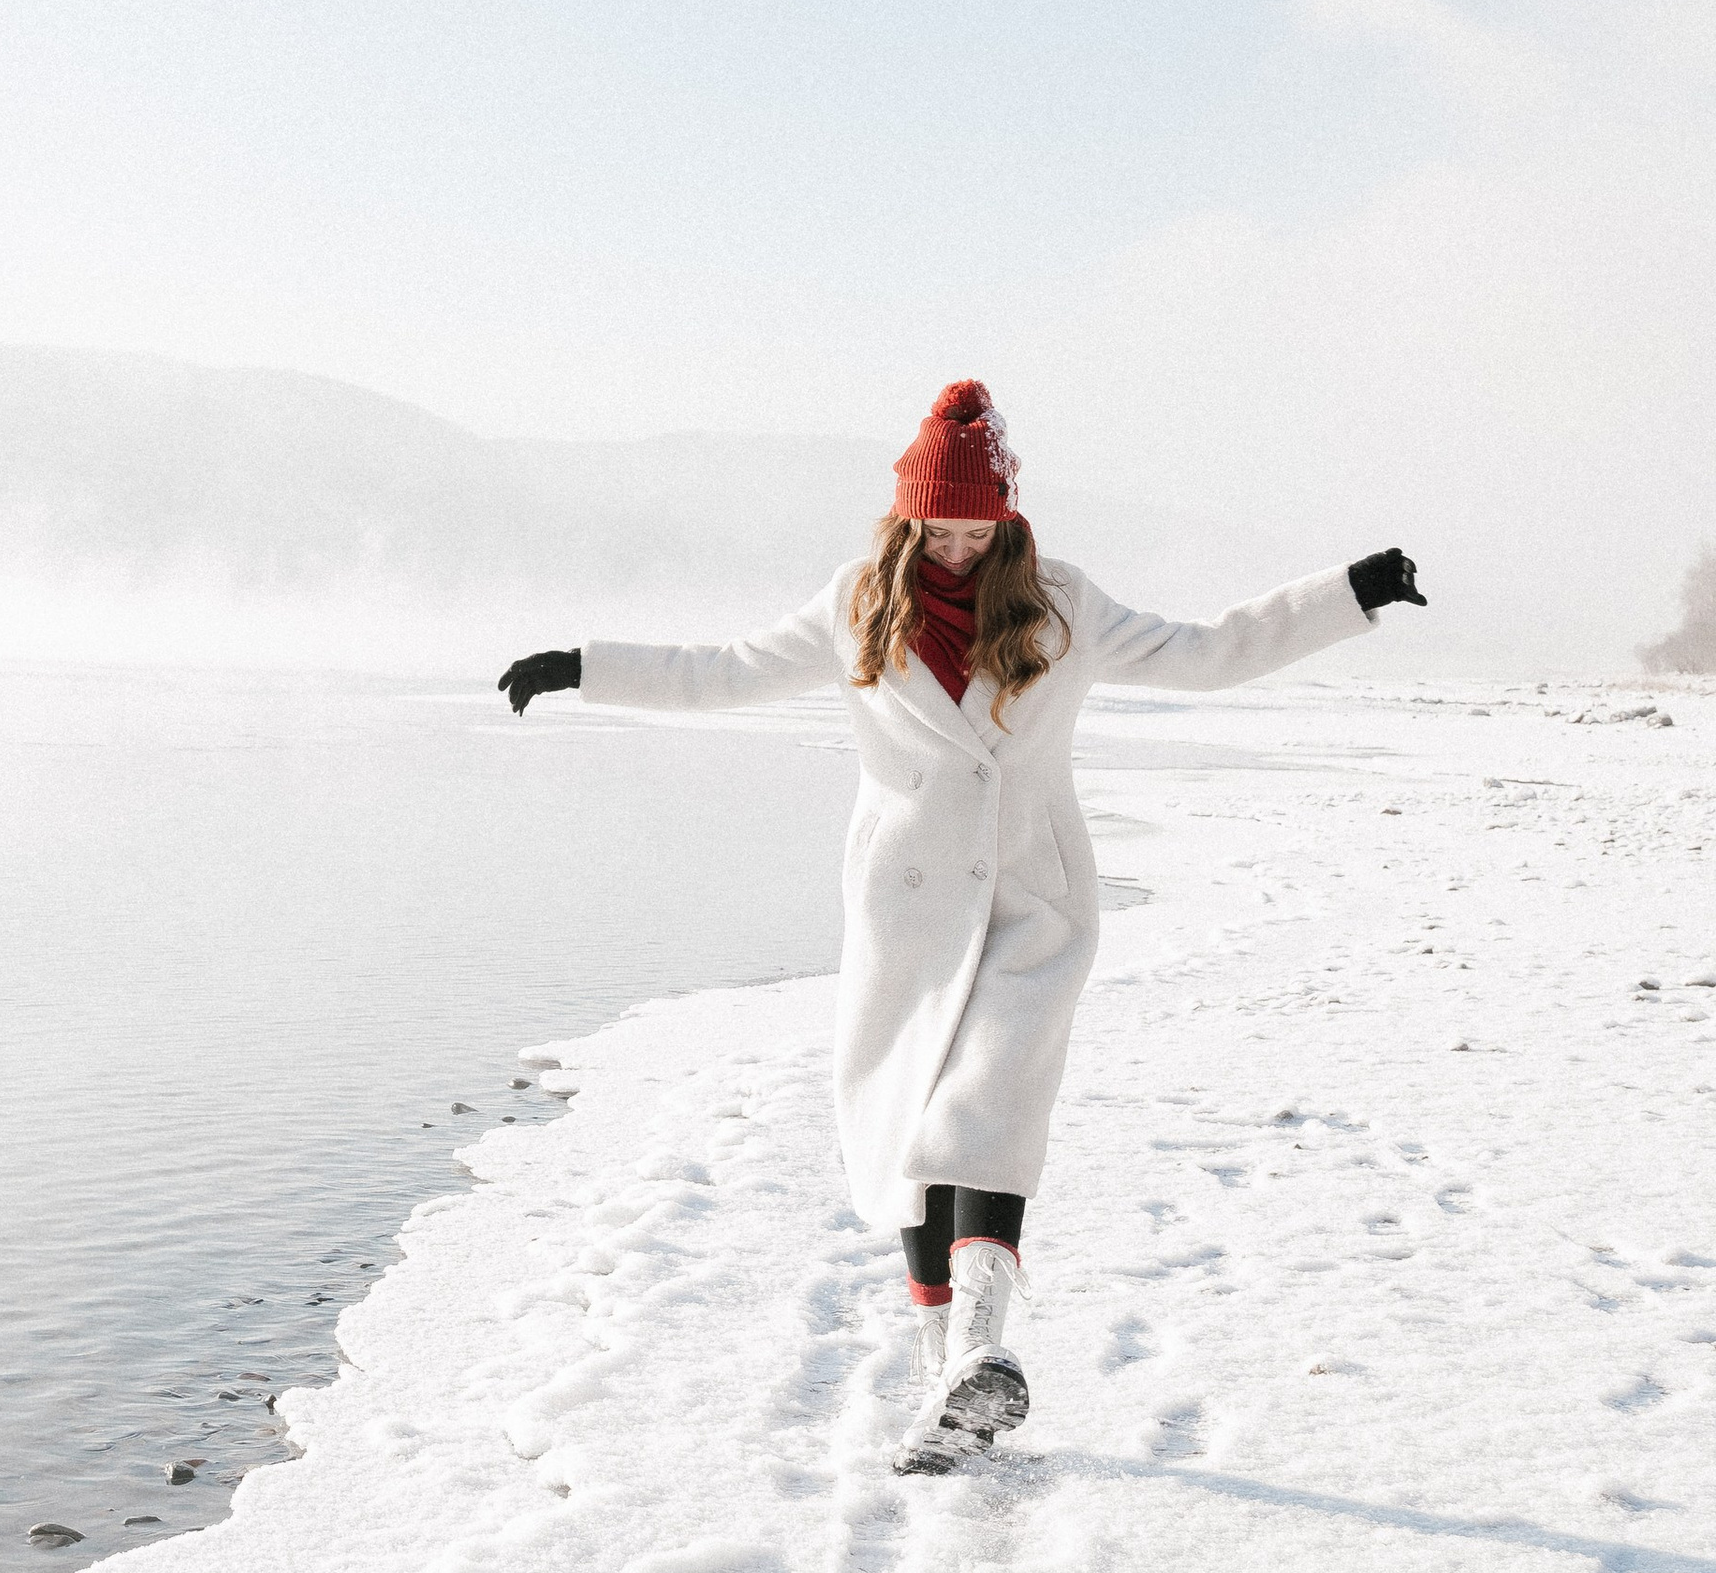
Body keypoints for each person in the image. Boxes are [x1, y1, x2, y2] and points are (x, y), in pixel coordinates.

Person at [498, 379, 1423, 1476]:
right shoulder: (855, 606)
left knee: (982, 1111)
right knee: (902, 1135)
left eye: (974, 527)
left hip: (1032, 900)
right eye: (935, 527)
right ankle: (948, 1377)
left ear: (1007, 520)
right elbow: (726, 672)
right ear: (905, 520)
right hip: (903, 912)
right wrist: (583, 667)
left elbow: (1208, 650)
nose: (952, 546)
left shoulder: (1063, 606)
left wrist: (1347, 591)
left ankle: (982, 1349)